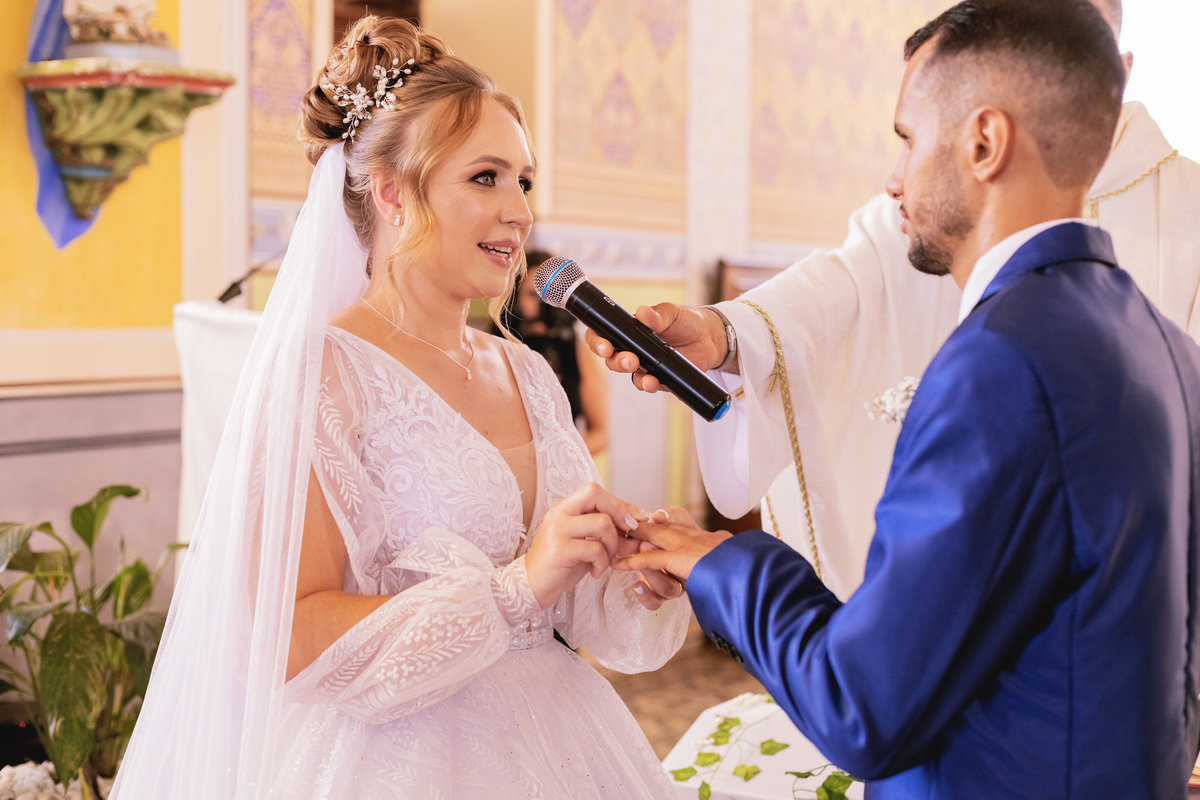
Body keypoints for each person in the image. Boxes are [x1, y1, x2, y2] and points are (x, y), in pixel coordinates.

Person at [615, 1, 1200, 796]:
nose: (893, 179)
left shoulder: (998, 365)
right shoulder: (1166, 345)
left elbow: (862, 706)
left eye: (908, 139)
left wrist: (723, 563)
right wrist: (724, 335)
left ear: (984, 142)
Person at [111, 17, 689, 799]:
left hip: (559, 744)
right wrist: (514, 588)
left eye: (523, 180)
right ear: (392, 193)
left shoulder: (526, 372)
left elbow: (567, 597)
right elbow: (293, 638)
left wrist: (630, 572)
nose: (520, 212)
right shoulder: (322, 374)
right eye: (485, 178)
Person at [498, 248, 609, 455]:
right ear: (514, 298)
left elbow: (601, 433)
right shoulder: (498, 348)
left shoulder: (577, 350)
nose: (541, 305)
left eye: (546, 297)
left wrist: (559, 460)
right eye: (532, 295)